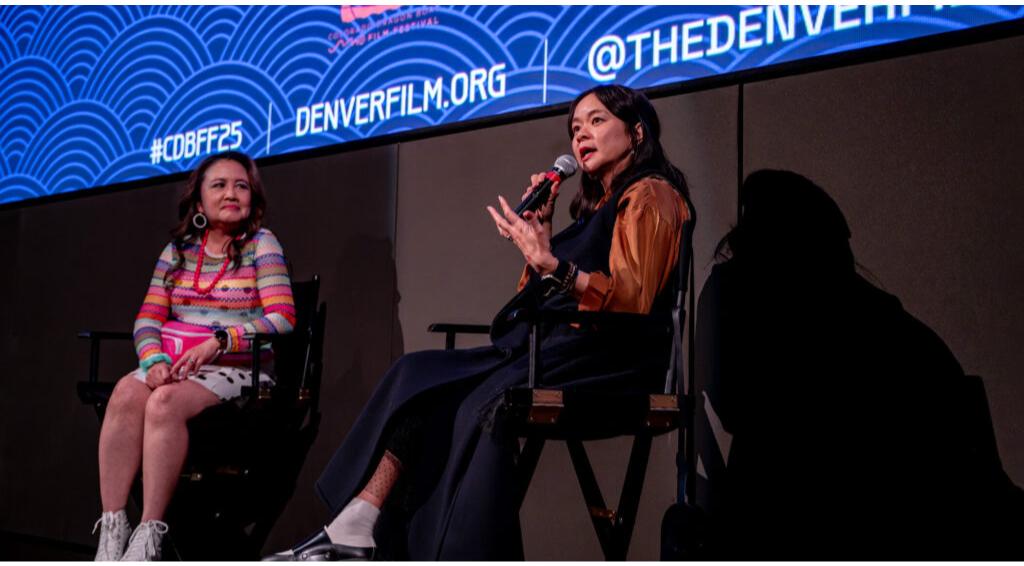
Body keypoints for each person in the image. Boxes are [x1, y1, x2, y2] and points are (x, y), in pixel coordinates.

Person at [267, 84, 691, 561]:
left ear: (635, 132)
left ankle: (448, 550)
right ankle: (359, 520)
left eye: (596, 122)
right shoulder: (594, 210)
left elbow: (631, 300)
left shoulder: (652, 195)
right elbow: (536, 300)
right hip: (558, 349)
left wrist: (553, 266)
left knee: (476, 403)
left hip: (613, 360)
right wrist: (543, 237)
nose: (580, 136)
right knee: (416, 376)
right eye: (575, 128)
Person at [92, 151, 296, 561]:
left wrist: (220, 341)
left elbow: (283, 317)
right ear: (199, 202)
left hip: (239, 366)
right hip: (177, 362)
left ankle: (149, 535)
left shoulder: (262, 244)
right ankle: (113, 532)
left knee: (164, 402)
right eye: (219, 185)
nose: (232, 193)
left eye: (241, 185)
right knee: (125, 394)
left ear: (253, 198)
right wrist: (152, 362)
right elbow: (147, 319)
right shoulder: (178, 251)